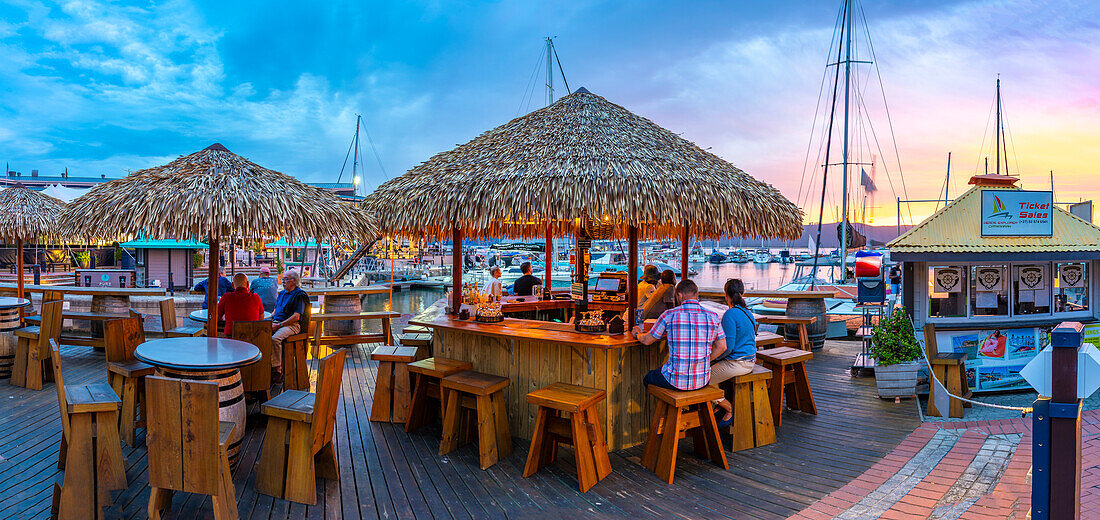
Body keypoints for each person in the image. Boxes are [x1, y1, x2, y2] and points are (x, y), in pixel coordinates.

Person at [632, 279, 726, 391]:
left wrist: (637, 333)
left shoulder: (669, 315)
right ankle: (688, 407)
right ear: (696, 295)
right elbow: (722, 347)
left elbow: (647, 340)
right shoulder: (713, 316)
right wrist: (703, 361)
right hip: (702, 380)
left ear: (679, 295)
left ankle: (666, 406)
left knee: (648, 378)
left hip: (675, 381)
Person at [711, 278, 758, 427]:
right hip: (750, 361)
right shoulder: (748, 313)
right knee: (713, 372)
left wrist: (711, 358)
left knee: (702, 379)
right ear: (742, 293)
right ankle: (718, 406)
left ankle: (727, 408)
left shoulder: (730, 314)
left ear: (726, 295)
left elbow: (728, 347)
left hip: (737, 363)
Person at [270, 269, 308, 384]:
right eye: (283, 279)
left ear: (294, 281)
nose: (283, 282)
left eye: (286, 279)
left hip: (292, 325)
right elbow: (274, 311)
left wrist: (279, 325)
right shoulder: (281, 293)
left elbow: (296, 317)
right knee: (259, 335)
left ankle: (277, 370)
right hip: (277, 322)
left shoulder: (299, 295)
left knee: (275, 339)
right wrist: (267, 320)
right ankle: (264, 369)